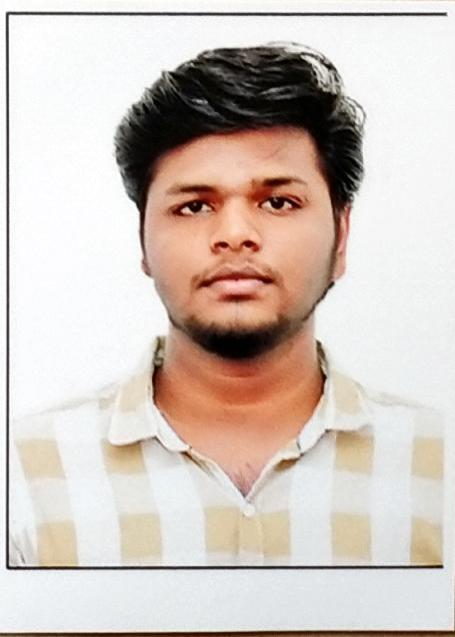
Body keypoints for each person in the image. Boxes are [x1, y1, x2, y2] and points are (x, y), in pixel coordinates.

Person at [10, 43, 443, 567]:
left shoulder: (439, 470)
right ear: (142, 239)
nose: (235, 234)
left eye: (278, 202)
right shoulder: (23, 479)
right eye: (195, 206)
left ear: (342, 236)